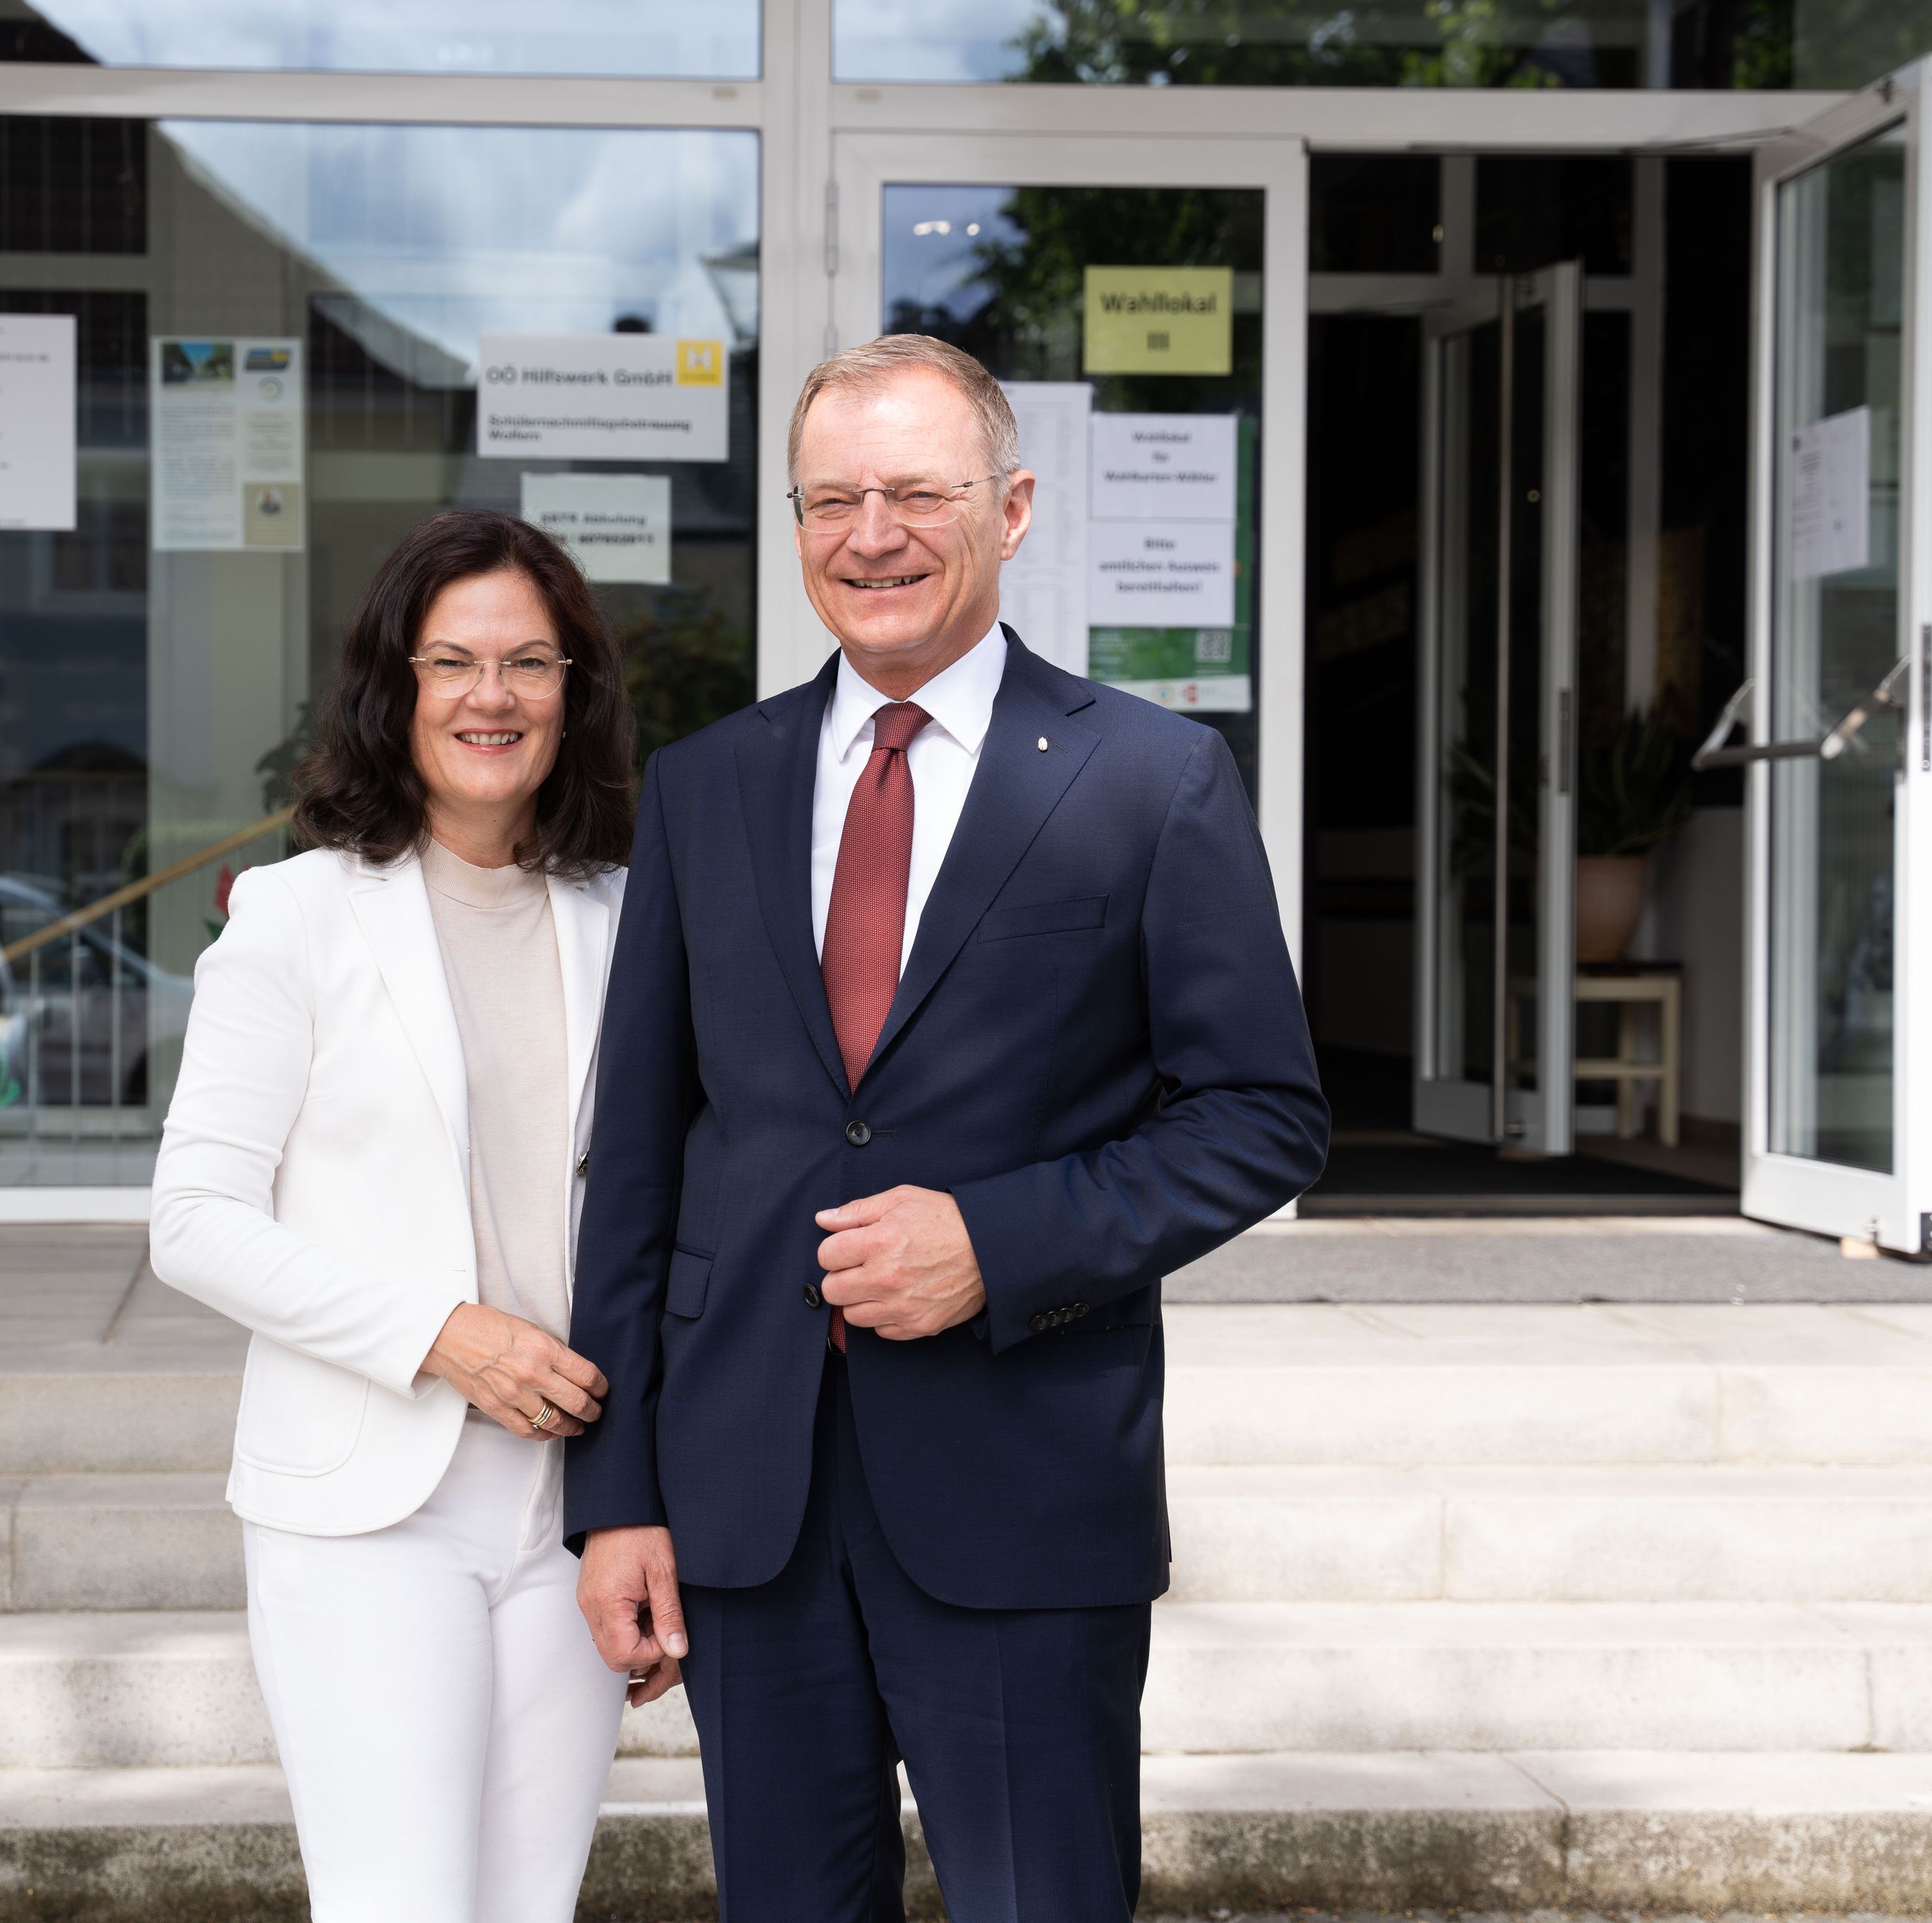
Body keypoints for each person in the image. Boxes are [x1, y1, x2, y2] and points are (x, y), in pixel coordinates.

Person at [565, 336, 1330, 1921]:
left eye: (915, 491)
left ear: (1013, 504)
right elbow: (637, 1160)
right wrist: (617, 1490)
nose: (870, 533)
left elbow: (1260, 1114)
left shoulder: (1150, 779)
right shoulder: (706, 785)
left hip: (1020, 1480)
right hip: (745, 1494)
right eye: (830, 498)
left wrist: (998, 1239)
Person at [150, 508, 637, 1923]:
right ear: (396, 686)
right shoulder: (295, 915)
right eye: (454, 660)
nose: (492, 695)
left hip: (569, 1503)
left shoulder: (625, 912)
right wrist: (441, 1332)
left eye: (529, 661)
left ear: (572, 692)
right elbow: (192, 1216)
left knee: (526, 1908)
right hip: (371, 1507)